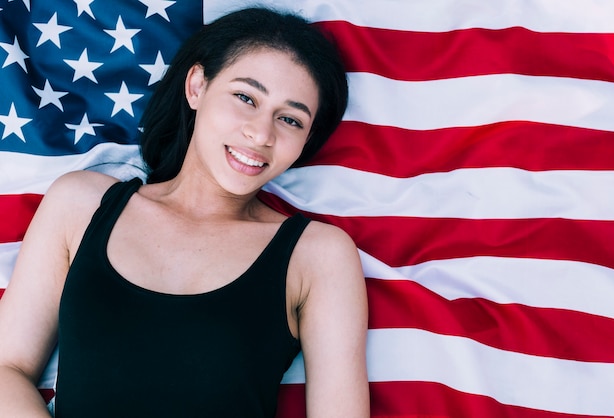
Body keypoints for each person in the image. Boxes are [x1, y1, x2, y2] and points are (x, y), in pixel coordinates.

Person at [0, 7, 369, 418]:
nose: (261, 134)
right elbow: (6, 368)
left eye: (290, 119)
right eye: (246, 97)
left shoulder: (318, 255)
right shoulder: (81, 204)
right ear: (197, 86)